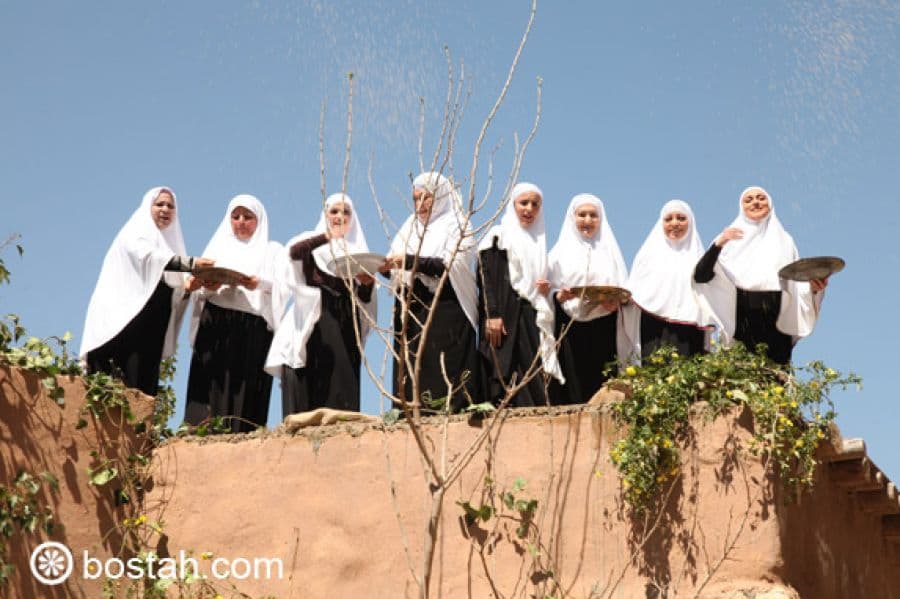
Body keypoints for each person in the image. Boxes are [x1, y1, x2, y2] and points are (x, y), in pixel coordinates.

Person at [81, 187, 210, 396]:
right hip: (121, 323)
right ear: (147, 207)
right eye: (159, 204)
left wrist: (187, 288)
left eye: (170, 206)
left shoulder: (170, 247)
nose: (165, 209)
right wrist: (192, 263)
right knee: (110, 385)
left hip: (149, 329)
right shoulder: (135, 232)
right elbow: (148, 257)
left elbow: (168, 288)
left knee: (141, 387)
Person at [264, 193, 376, 416]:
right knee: (311, 376)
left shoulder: (358, 251)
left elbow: (364, 300)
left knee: (341, 378)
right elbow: (293, 253)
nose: (339, 216)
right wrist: (328, 237)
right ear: (326, 214)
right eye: (334, 211)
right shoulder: (311, 241)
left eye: (345, 212)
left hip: (344, 321)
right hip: (312, 316)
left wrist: (366, 284)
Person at [183, 195, 287, 432]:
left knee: (245, 391)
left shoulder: (273, 251)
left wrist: (258, 283)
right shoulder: (216, 249)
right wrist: (207, 284)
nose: (241, 221)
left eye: (248, 217)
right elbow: (196, 285)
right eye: (236, 216)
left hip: (252, 328)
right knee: (209, 387)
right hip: (216, 323)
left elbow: (283, 286)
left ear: (259, 220)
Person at [693, 186, 828, 365]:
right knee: (739, 379)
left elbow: (795, 283)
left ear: (770, 204)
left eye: (760, 198)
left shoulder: (784, 240)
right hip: (741, 315)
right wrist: (720, 243)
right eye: (748, 200)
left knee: (773, 381)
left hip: (776, 320)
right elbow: (702, 277)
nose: (755, 202)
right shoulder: (728, 238)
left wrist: (812, 287)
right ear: (741, 206)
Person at [381, 171, 478, 411]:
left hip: (445, 309)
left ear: (442, 196)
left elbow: (452, 265)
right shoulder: (408, 229)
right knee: (414, 366)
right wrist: (383, 268)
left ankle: (452, 409)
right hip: (412, 312)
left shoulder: (458, 224)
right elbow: (397, 272)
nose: (420, 204)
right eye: (416, 198)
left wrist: (410, 261)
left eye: (427, 197)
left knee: (444, 368)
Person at [477, 182, 563, 407]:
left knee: (532, 370)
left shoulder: (538, 242)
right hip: (503, 314)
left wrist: (543, 288)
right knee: (501, 370)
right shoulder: (498, 235)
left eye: (535, 204)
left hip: (529, 314)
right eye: (523, 203)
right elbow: (486, 277)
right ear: (512, 205)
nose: (529, 209)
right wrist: (491, 314)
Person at [548, 193, 638, 404]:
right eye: (582, 215)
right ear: (572, 217)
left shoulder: (610, 254)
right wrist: (559, 297)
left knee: (603, 383)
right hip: (568, 328)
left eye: (593, 215)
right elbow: (547, 295)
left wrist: (617, 301)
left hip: (604, 325)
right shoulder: (557, 255)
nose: (587, 220)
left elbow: (624, 291)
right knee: (571, 386)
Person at [627, 200, 711, 359]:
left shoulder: (699, 258)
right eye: (668, 219)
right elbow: (634, 292)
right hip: (653, 328)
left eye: (681, 218)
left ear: (691, 223)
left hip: (688, 329)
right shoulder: (646, 256)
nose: (675, 223)